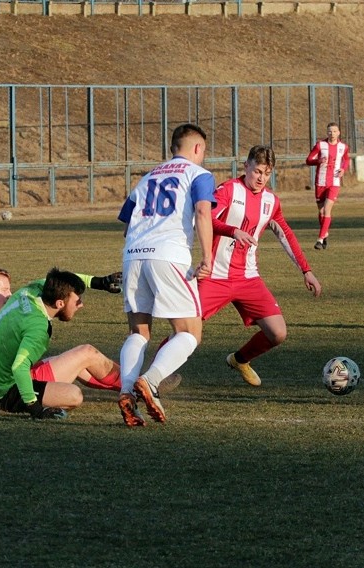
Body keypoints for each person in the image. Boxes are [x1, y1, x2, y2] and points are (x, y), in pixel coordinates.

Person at [116, 123, 215, 427]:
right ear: (197, 148)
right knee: (189, 333)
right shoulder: (199, 175)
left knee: (139, 333)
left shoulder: (146, 178)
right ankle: (151, 380)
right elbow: (202, 212)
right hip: (168, 256)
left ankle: (126, 390)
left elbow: (126, 224)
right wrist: (207, 256)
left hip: (133, 255)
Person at [205, 145, 322, 387]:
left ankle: (239, 360)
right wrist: (233, 231)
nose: (261, 178)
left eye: (267, 174)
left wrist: (306, 270)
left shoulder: (271, 201)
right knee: (187, 329)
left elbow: (285, 235)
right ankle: (152, 377)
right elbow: (206, 218)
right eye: (257, 171)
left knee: (278, 332)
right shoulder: (228, 190)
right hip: (216, 275)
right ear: (246, 166)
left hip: (248, 278)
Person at [0, 267, 126, 413]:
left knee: (82, 359)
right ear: (59, 304)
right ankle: (134, 386)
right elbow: (19, 368)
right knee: (75, 393)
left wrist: (99, 282)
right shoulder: (37, 329)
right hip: (3, 390)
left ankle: (131, 386)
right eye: (77, 301)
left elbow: (64, 281)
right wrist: (34, 406)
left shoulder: (29, 291)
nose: (81, 304)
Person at [305, 122, 349, 251]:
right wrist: (318, 161)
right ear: (327, 132)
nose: (332, 133)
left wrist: (343, 169)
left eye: (334, 131)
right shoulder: (320, 145)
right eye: (330, 131)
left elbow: (346, 159)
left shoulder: (343, 147)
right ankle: (325, 233)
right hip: (320, 182)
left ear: (338, 132)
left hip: (334, 183)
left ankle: (319, 239)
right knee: (321, 212)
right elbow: (308, 160)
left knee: (326, 210)